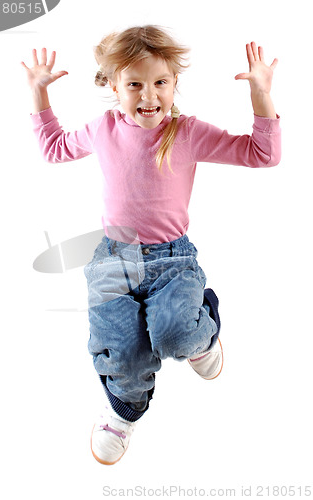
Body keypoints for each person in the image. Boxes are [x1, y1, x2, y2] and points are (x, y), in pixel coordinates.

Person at [21, 25, 281, 466]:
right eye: (134, 84)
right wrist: (39, 95)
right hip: (112, 261)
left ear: (175, 84)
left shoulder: (188, 131)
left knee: (175, 333)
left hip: (173, 260)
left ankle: (204, 333)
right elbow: (53, 148)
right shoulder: (103, 128)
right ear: (114, 86)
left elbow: (262, 154)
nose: (149, 95)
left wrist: (260, 94)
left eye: (160, 82)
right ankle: (123, 411)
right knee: (121, 348)